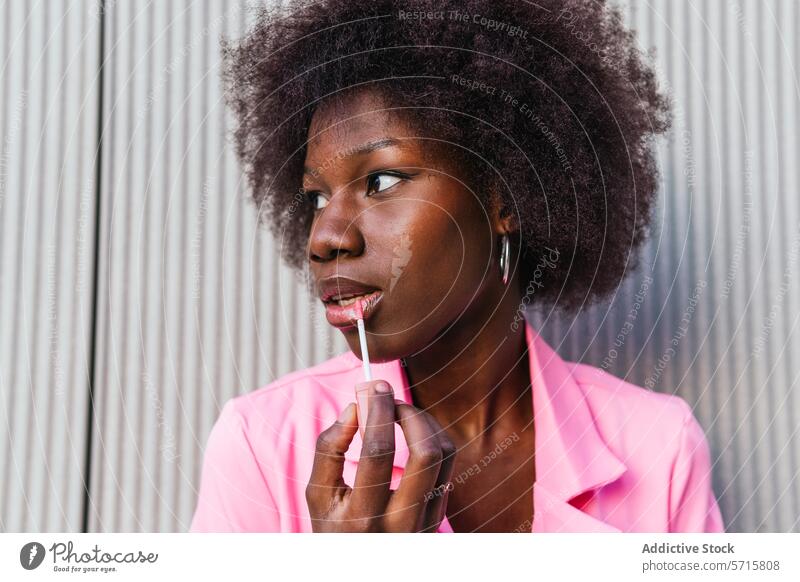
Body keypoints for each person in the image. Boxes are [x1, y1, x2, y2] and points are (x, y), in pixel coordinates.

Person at [189, 0, 724, 532]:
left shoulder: (661, 449)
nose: (325, 238)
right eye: (316, 198)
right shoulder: (262, 444)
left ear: (505, 200)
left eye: (382, 180)